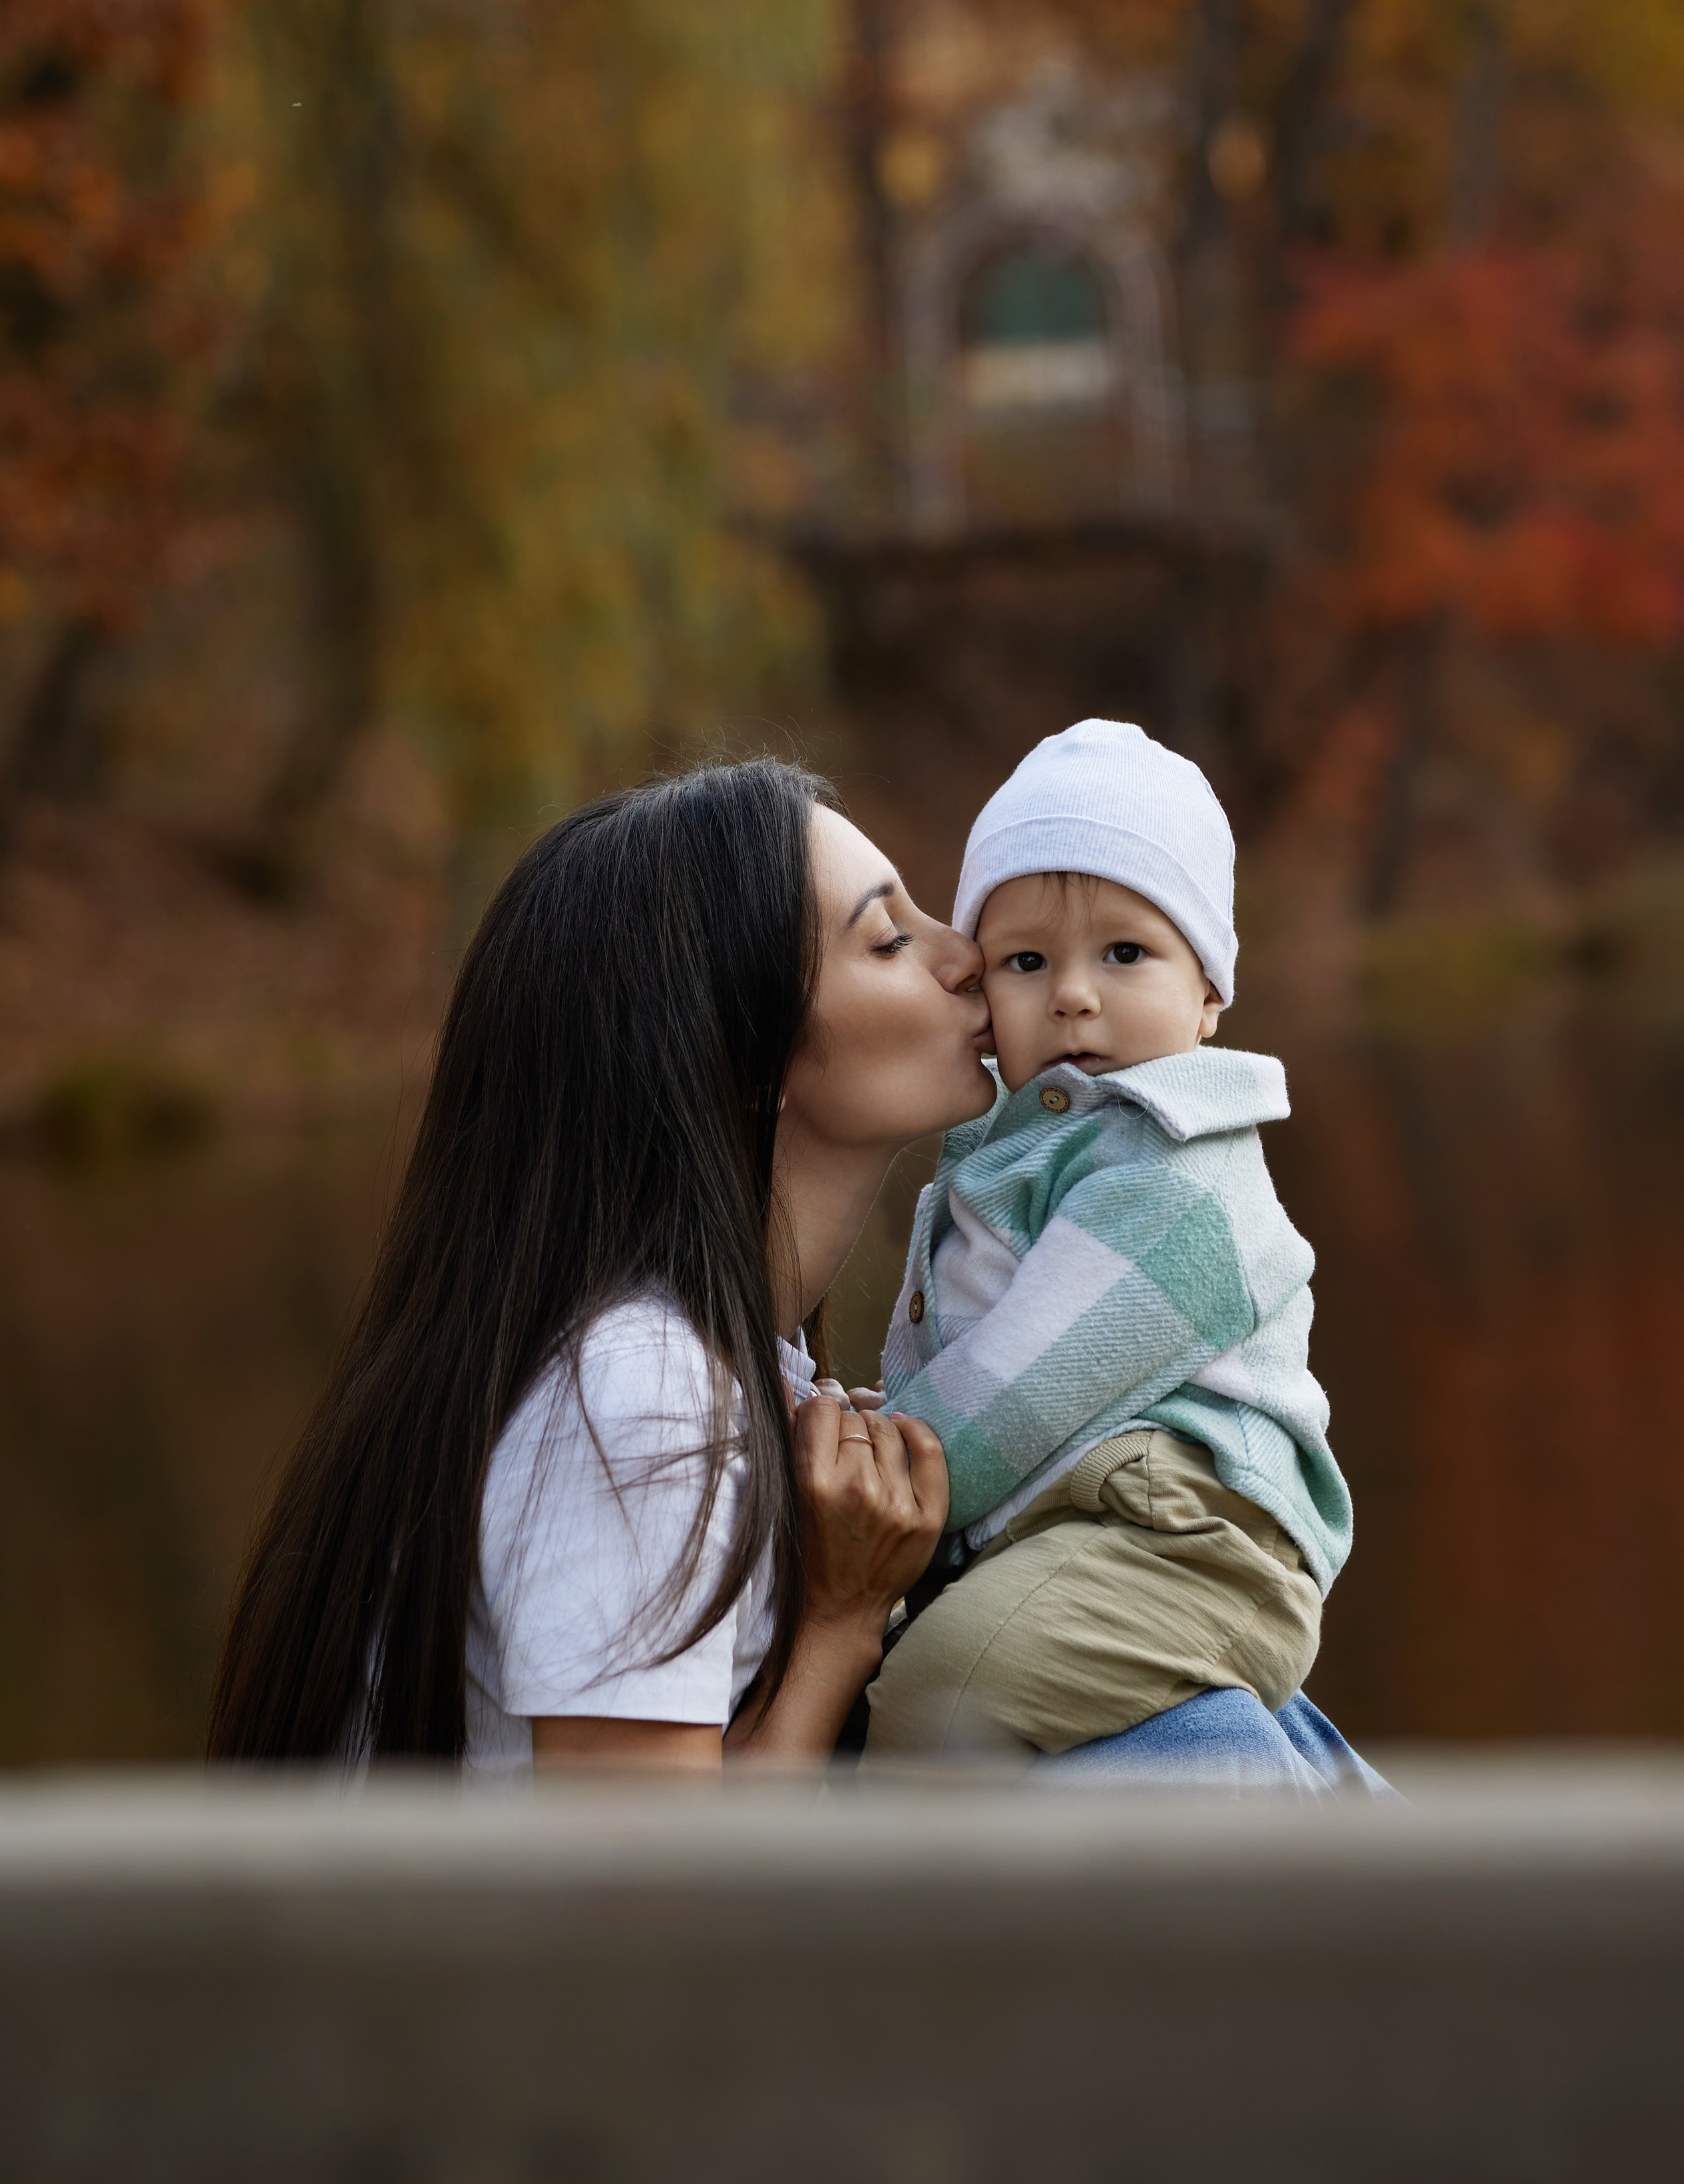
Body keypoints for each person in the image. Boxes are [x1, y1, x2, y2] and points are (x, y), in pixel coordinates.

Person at [207, 758, 996, 1771]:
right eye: (891, 940)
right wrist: (840, 1623)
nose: (966, 954)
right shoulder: (641, 1393)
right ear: (747, 1059)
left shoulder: (682, 1362)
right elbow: (640, 1909)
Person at [865, 719, 1354, 1761]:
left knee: (929, 1694)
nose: (1074, 992)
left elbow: (1016, 1389)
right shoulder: (1025, 1152)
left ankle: (876, 1910)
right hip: (1086, 1529)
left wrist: (876, 1477)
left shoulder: (1176, 1174)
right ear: (984, 993)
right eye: (1028, 960)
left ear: (1209, 990)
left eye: (1125, 952)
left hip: (1192, 1540)